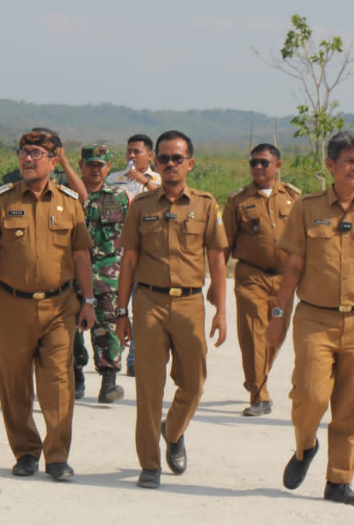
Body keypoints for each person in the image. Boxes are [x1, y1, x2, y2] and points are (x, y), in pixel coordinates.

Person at [265, 130, 354, 506]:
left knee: (349, 406)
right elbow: (293, 268)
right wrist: (279, 314)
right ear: (331, 165)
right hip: (315, 318)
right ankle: (305, 446)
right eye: (348, 160)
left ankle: (338, 482)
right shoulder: (307, 207)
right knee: (309, 395)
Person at [0, 130, 96, 482]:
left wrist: (88, 301)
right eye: (24, 152)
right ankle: (26, 451)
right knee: (14, 383)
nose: (28, 158)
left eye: (37, 153)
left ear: (54, 161)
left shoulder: (70, 202)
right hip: (11, 305)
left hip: (59, 306)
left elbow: (81, 255)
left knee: (58, 382)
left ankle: (57, 456)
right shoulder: (1, 200)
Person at [115, 130, 228, 489]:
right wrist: (121, 312)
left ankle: (174, 431)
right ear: (156, 162)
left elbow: (218, 259)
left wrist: (221, 310)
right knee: (149, 386)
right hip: (148, 302)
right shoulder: (142, 207)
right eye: (163, 158)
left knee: (193, 383)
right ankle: (149, 464)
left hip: (190, 302)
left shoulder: (206, 205)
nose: (169, 164)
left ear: (190, 163)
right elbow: (128, 261)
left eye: (177, 158)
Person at [222, 143, 300, 417]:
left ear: (277, 166)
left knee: (275, 334)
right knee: (255, 334)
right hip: (251, 277)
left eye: (264, 163)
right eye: (253, 162)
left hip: (285, 280)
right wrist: (217, 285)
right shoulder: (238, 201)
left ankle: (257, 375)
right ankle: (259, 395)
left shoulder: (294, 198)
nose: (257, 167)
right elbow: (225, 244)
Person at [72, 144, 129, 403]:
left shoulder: (119, 197)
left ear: (108, 167)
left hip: (108, 274)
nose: (96, 169)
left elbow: (130, 237)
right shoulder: (69, 195)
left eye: (101, 165)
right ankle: (74, 375)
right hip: (73, 273)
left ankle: (109, 382)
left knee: (108, 328)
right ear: (81, 166)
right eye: (91, 164)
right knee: (70, 329)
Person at [106, 134, 162, 377]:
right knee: (116, 306)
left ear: (149, 155)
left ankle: (135, 358)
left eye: (137, 152)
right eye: (129, 151)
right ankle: (112, 355)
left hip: (147, 252)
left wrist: (144, 181)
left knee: (141, 306)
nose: (131, 156)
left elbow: (166, 198)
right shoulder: (114, 179)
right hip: (116, 251)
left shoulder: (160, 180)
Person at [0, 127, 88, 203]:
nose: (29, 158)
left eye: (37, 152)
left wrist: (62, 159)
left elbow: (82, 198)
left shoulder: (60, 178)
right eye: (27, 151)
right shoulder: (14, 177)